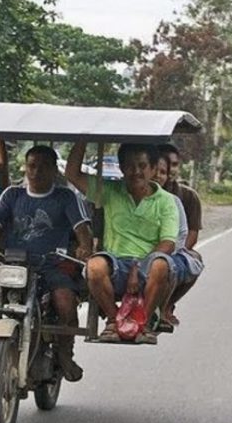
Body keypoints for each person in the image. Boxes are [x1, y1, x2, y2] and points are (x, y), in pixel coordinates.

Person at [0, 145, 93, 382]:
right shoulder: (12, 195)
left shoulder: (66, 197)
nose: (36, 172)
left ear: (55, 170)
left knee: (65, 303)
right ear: (25, 167)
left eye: (44, 166)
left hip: (53, 265)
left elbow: (82, 229)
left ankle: (65, 354)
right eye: (32, 165)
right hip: (15, 265)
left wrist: (85, 247)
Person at [65, 142, 179, 344]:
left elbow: (168, 242)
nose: (136, 172)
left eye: (142, 166)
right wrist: (82, 136)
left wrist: (137, 267)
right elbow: (72, 174)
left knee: (162, 265)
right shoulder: (109, 191)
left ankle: (142, 323)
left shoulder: (167, 201)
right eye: (129, 166)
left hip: (148, 266)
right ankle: (113, 320)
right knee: (94, 266)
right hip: (116, 265)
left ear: (153, 169)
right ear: (121, 168)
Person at [151, 150, 204, 326]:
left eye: (173, 166)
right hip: (142, 249)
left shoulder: (183, 197)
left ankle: (166, 305)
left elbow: (190, 233)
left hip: (172, 248)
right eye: (155, 170)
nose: (159, 175)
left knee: (182, 262)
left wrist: (172, 250)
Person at [158, 144, 202, 249]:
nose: (170, 169)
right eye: (165, 165)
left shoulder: (190, 196)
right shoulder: (142, 194)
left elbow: (192, 233)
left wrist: (176, 254)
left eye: (174, 164)